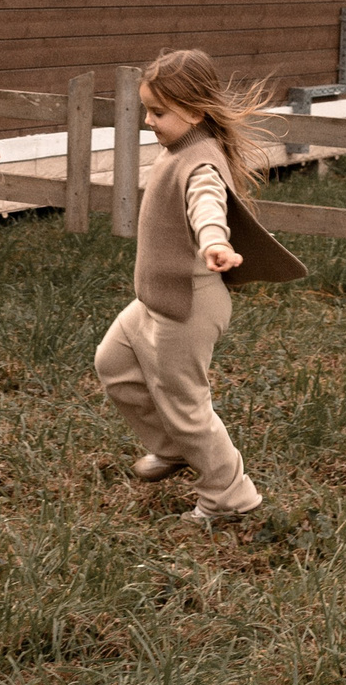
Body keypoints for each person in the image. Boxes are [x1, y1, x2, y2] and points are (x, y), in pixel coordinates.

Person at [94, 48, 306, 524]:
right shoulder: (180, 148)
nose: (148, 120)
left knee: (187, 406)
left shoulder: (201, 161)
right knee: (114, 364)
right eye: (147, 108)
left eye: (158, 112)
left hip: (189, 304)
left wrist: (214, 241)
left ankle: (230, 497)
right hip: (157, 298)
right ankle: (172, 447)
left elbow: (206, 203)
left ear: (194, 111)